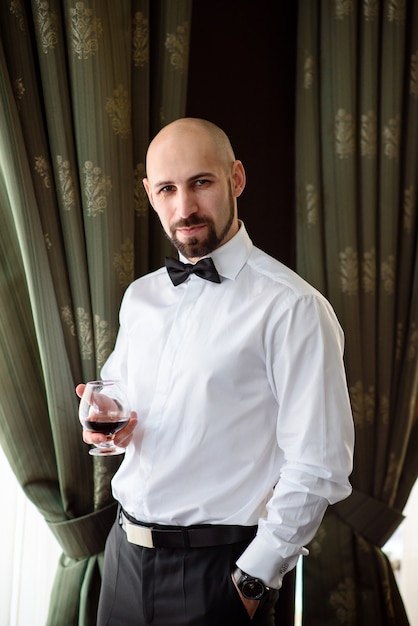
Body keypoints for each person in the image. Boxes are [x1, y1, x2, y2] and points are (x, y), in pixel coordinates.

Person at [77, 117, 354, 626]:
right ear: (150, 194)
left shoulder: (293, 308)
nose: (184, 208)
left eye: (201, 183)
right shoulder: (140, 298)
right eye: (167, 189)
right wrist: (100, 414)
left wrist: (251, 580)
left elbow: (319, 467)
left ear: (236, 179)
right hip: (122, 562)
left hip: (220, 575)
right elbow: (121, 399)